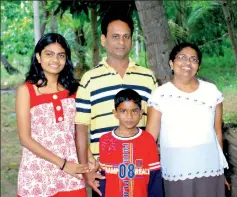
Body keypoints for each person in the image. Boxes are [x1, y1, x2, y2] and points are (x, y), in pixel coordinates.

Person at [74, 13, 157, 196]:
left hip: (140, 171)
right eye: (115, 37)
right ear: (104, 40)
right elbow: (81, 128)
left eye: (126, 36)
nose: (121, 42)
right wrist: (86, 168)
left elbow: (154, 123)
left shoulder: (147, 77)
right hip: (103, 171)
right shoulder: (89, 79)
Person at [146, 42, 230, 197]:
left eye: (194, 59)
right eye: (182, 57)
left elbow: (217, 133)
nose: (188, 63)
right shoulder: (160, 95)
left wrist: (222, 170)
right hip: (176, 169)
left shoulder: (211, 92)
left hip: (210, 168)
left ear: (198, 66)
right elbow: (150, 139)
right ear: (171, 63)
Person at [16, 33, 90, 197]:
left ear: (66, 59)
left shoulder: (73, 90)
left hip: (71, 176)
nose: (55, 60)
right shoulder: (26, 90)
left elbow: (78, 132)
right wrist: (63, 164)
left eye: (61, 55)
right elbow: (25, 139)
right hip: (36, 176)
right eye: (49, 54)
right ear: (38, 57)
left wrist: (88, 157)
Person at [99, 89, 163, 197]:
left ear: (141, 113)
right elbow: (103, 179)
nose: (129, 116)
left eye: (134, 111)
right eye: (123, 111)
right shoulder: (105, 140)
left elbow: (155, 179)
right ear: (115, 113)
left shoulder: (148, 140)